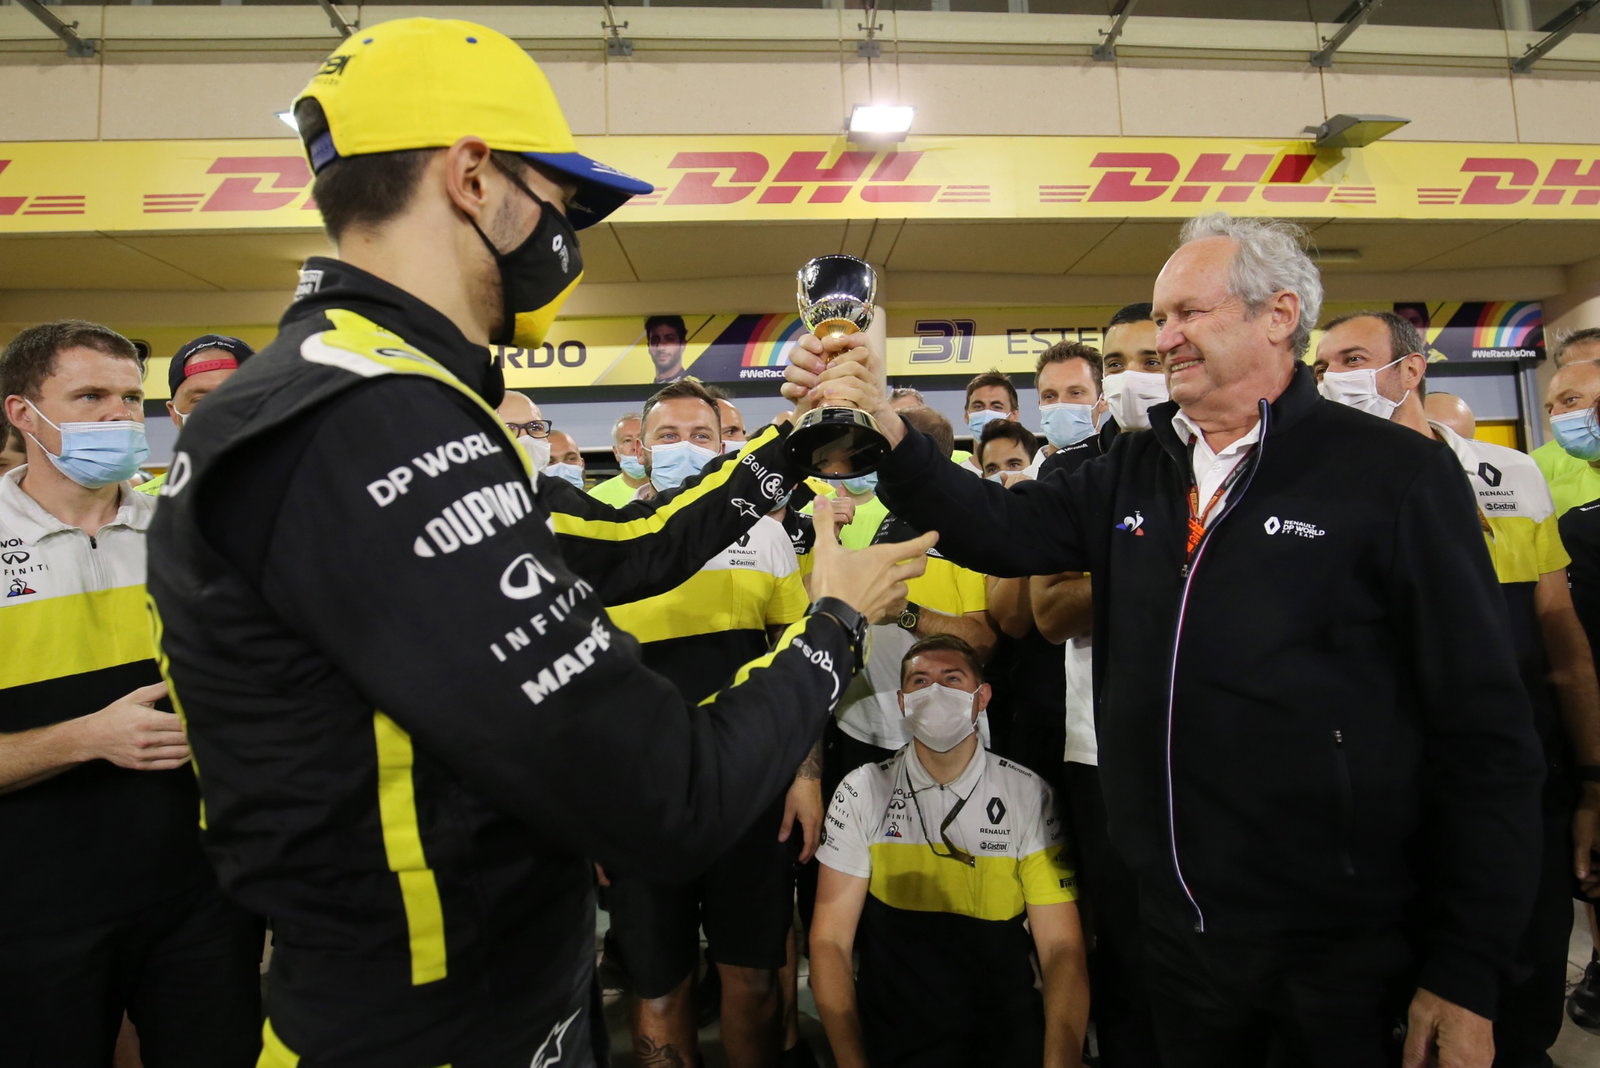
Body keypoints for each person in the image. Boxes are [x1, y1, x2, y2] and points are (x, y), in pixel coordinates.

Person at [145, 19, 933, 1066]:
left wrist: (804, 437)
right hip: (427, 1029)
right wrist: (835, 621)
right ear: (474, 178)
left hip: (499, 996)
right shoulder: (367, 418)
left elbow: (631, 541)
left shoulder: (397, 393)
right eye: (561, 201)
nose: (569, 232)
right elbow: (670, 796)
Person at [784, 211, 1546, 1068]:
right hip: (1172, 929)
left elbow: (1485, 733)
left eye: (1188, 314)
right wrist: (880, 424)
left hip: (1339, 939)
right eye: (1160, 316)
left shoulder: (1391, 474)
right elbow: (996, 529)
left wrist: (1468, 966)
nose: (1166, 336)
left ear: (1279, 315)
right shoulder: (1134, 468)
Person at [1317, 308, 1600, 1068]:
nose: (1331, 378)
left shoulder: (1508, 476)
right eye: (1322, 366)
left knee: (1519, 1006)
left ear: (1410, 371)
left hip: (1514, 782)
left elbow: (1562, 642)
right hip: (1383, 802)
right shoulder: (1313, 489)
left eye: (1350, 357)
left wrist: (1592, 782)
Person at [0, 320, 262, 1066]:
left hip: (202, 898)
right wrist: (82, 739)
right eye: (90, 396)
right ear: (24, 413)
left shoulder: (190, 534)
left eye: (128, 397)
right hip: (31, 913)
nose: (119, 416)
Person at [606, 379, 816, 1068]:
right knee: (659, 989)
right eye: (669, 436)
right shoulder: (606, 538)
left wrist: (805, 776)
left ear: (727, 447)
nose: (686, 449)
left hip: (750, 793)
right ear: (640, 448)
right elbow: (574, 695)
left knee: (753, 980)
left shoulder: (767, 535)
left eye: (703, 436)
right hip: (641, 801)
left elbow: (800, 663)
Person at [811, 635, 1088, 1068]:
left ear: (983, 698)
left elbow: (1062, 950)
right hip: (895, 1029)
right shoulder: (861, 789)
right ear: (902, 702)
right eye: (920, 680)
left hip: (1004, 1030)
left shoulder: (1030, 794)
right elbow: (829, 942)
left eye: (951, 678)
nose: (935, 691)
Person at [140, 333, 256, 496]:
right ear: (174, 414)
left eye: (236, 395)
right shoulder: (142, 506)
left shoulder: (300, 492)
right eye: (200, 400)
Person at [1097, 302, 1166, 433]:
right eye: (1115, 365)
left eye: (1151, 363)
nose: (1129, 383)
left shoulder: (1205, 452)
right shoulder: (1080, 454)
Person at [589, 410, 647, 506]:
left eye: (641, 439)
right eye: (627, 440)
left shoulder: (671, 493)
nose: (635, 447)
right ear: (616, 452)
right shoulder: (595, 498)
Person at [647, 314, 689, 383]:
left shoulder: (696, 389)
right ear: (649, 347)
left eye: (669, 339)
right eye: (655, 340)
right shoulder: (645, 390)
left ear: (683, 345)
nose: (660, 347)